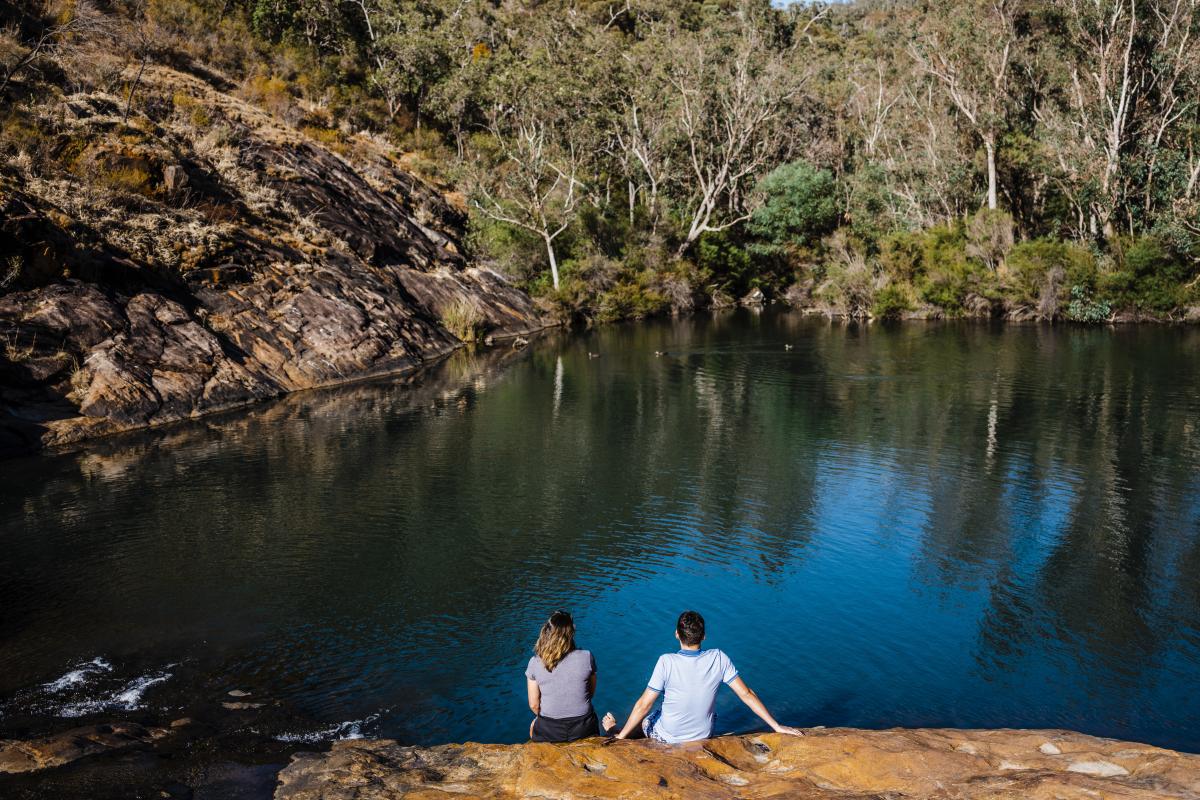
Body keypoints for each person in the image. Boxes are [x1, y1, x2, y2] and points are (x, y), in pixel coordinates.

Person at [603, 610, 802, 743]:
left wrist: (620, 736)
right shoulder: (719, 657)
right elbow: (747, 694)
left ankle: (614, 730)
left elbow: (643, 705)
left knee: (647, 719)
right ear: (704, 636)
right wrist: (776, 726)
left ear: (676, 635)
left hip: (671, 738)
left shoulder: (666, 661)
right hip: (703, 735)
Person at [525, 610, 617, 742]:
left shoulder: (535, 662)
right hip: (584, 727)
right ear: (571, 633)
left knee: (533, 728)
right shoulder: (586, 657)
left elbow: (534, 705)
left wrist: (547, 721)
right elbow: (589, 694)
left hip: (550, 730)